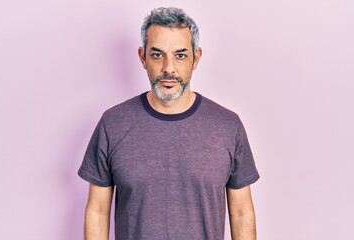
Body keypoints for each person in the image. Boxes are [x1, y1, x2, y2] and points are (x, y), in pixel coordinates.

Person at [78, 7, 260, 240]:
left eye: (180, 55)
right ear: (142, 57)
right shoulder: (112, 124)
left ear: (197, 57)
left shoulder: (228, 125)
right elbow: (98, 211)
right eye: (157, 55)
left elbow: (242, 212)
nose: (168, 68)